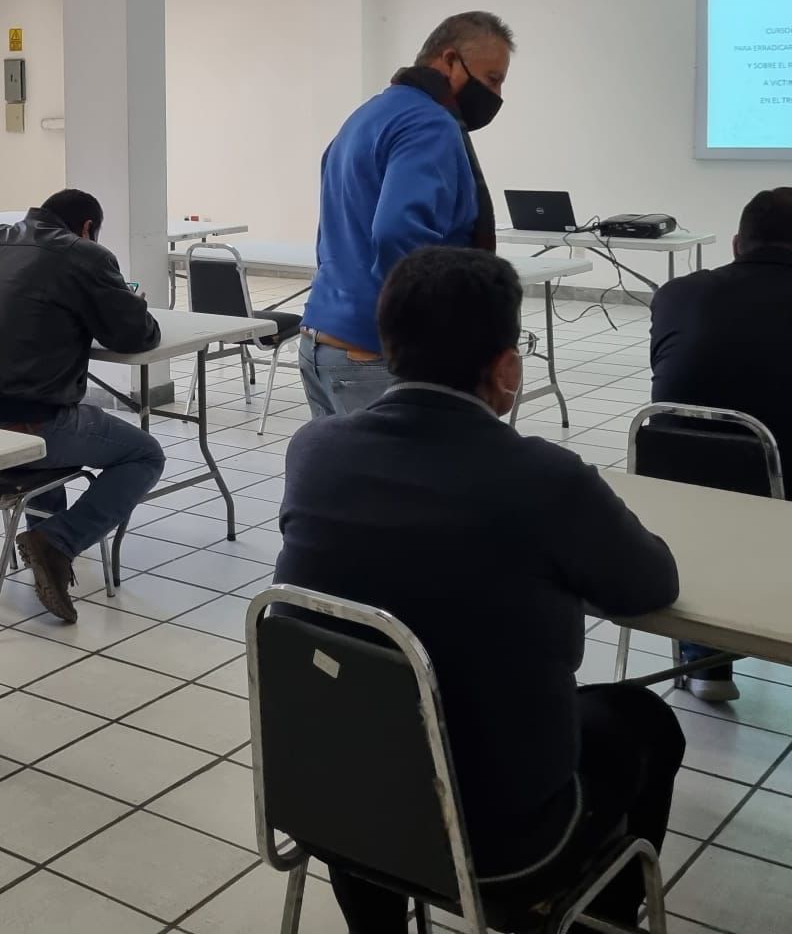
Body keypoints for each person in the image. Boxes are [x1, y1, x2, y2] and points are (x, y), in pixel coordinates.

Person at [276, 247, 683, 933]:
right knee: (643, 721)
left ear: (387, 347)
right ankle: (592, 915)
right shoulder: (547, 479)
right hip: (501, 841)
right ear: (507, 368)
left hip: (332, 802)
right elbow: (648, 585)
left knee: (371, 717)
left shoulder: (315, 450)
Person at [0, 190, 165, 624]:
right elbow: (136, 336)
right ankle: (56, 540)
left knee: (53, 417)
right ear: (87, 228)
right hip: (24, 425)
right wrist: (132, 302)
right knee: (145, 454)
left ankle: (44, 540)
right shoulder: (85, 255)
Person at [300, 10, 514, 418]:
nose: (497, 95)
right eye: (492, 79)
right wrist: (430, 339)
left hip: (322, 340)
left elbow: (335, 230)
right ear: (449, 60)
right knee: (422, 461)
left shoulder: (366, 116)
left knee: (344, 462)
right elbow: (398, 232)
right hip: (375, 354)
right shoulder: (430, 123)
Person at [649, 185, 792, 702]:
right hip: (781, 492)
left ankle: (705, 661)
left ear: (736, 243)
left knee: (716, 468)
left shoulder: (676, 294)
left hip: (680, 495)